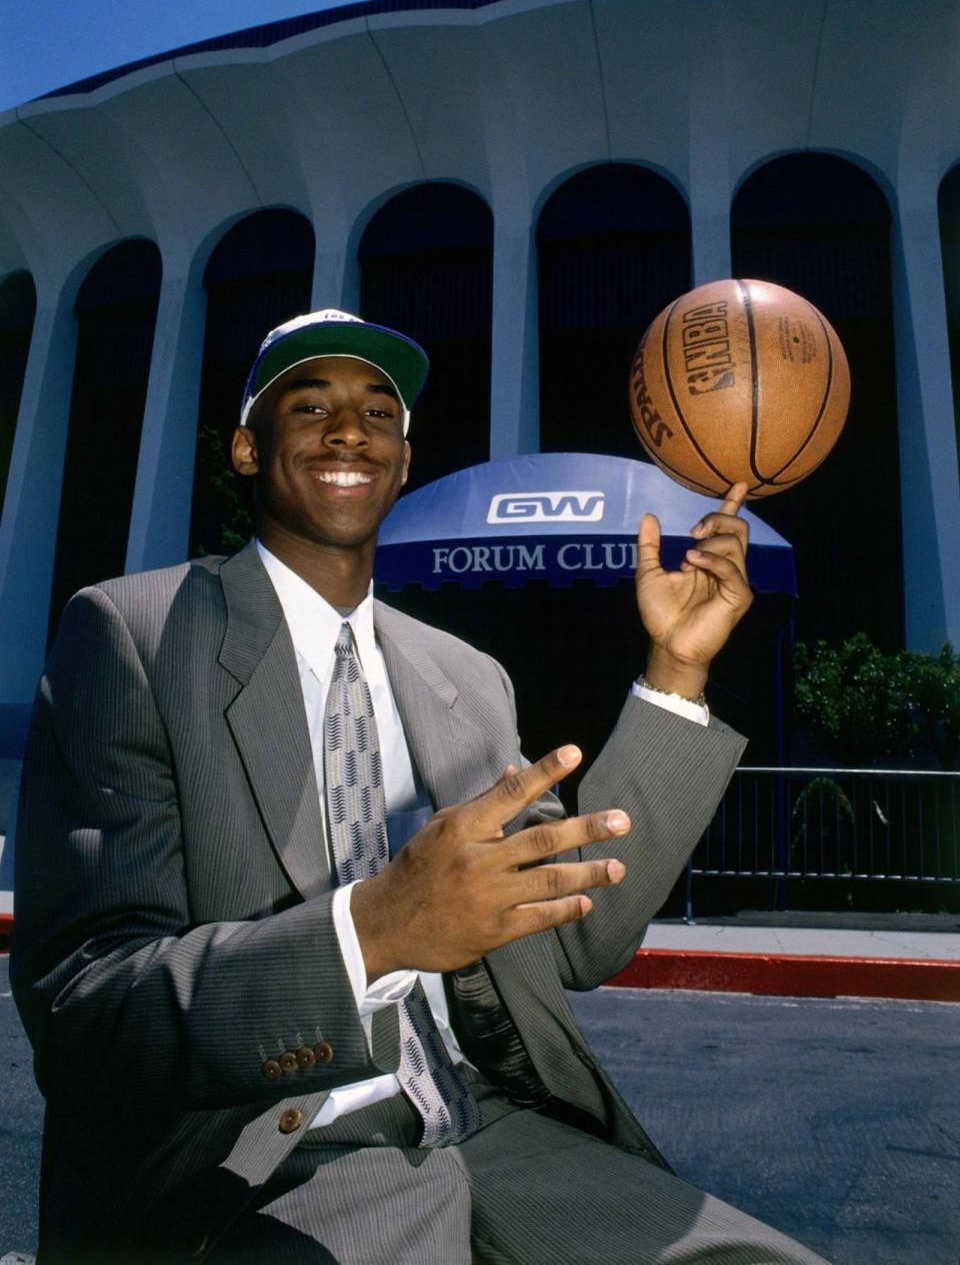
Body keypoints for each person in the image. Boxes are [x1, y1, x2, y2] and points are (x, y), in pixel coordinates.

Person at [12, 309, 828, 1264]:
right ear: (246, 446)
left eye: (377, 412)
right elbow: (88, 1012)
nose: (348, 428)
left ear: (403, 460)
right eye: (308, 403)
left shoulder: (467, 678)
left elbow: (579, 933)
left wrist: (676, 671)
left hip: (485, 1127)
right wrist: (377, 928)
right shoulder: (135, 634)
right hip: (256, 1164)